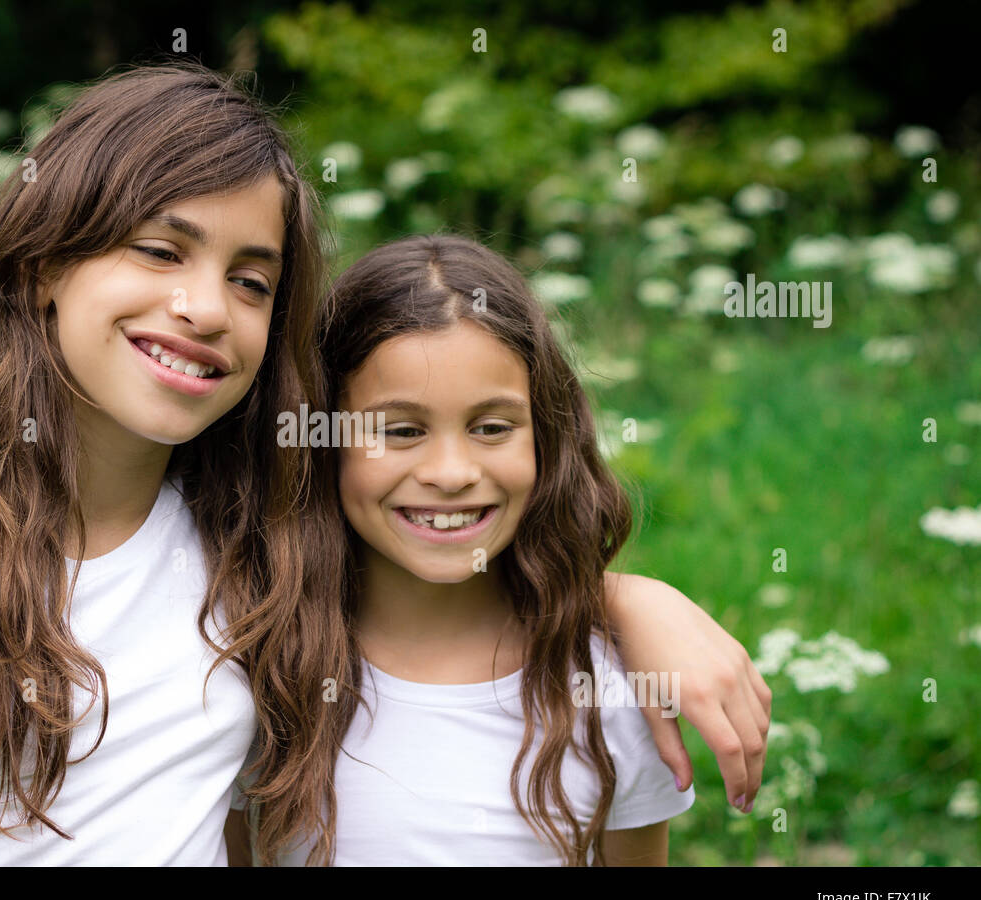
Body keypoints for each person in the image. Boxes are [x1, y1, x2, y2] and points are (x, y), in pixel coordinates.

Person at [0, 66, 767, 866]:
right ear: (46, 261)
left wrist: (624, 598)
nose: (202, 306)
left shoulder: (252, 539)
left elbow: (445, 589)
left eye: (250, 278)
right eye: (158, 250)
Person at [226, 234, 753, 865]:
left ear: (546, 437)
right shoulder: (260, 674)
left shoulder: (609, 690)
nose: (451, 472)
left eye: (492, 427)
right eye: (400, 430)